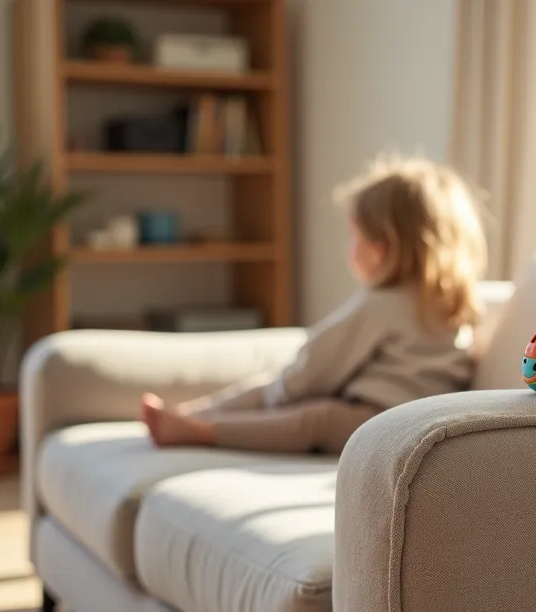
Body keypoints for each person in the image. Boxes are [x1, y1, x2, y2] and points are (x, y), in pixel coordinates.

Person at [140, 155, 486, 454]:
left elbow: (312, 372)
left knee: (313, 415)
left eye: (355, 237)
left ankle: (200, 426)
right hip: (412, 422)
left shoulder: (379, 306)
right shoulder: (458, 304)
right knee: (294, 401)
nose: (349, 246)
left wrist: (282, 392)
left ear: (380, 249)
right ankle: (192, 414)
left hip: (378, 421)